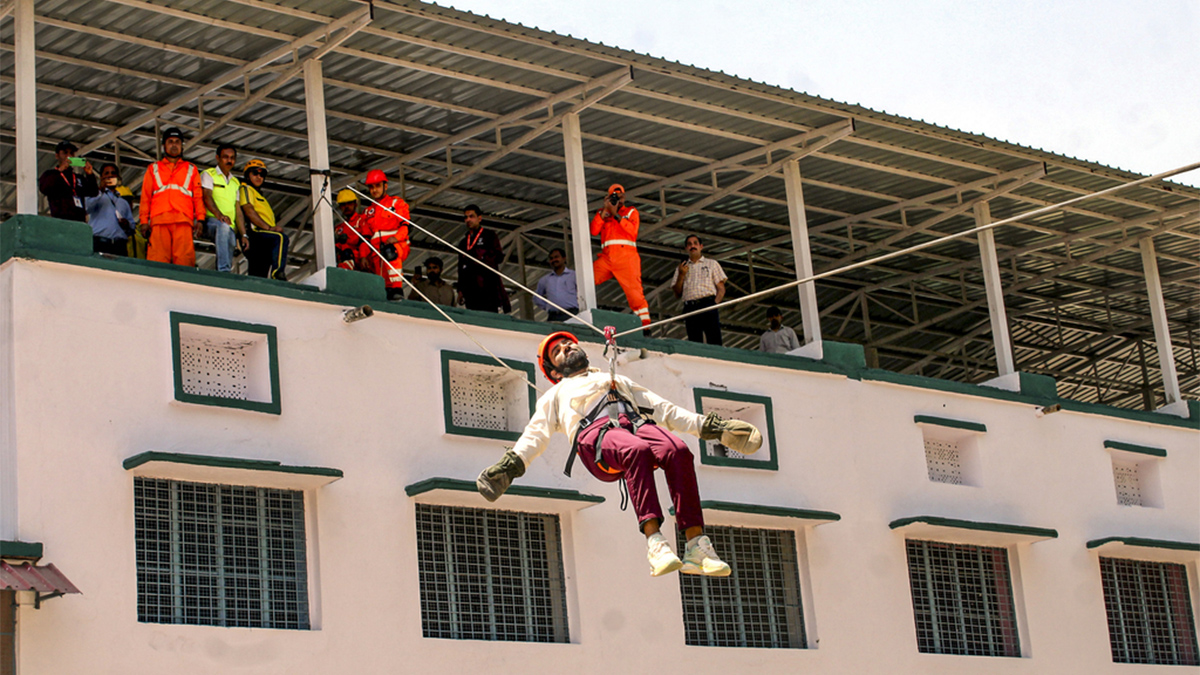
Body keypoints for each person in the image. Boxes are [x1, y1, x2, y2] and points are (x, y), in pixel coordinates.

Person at [476, 331, 763, 577]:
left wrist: (713, 428)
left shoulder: (617, 379)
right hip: (596, 438)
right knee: (635, 450)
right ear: (554, 371)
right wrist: (510, 467)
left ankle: (696, 545)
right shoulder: (555, 395)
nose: (566, 348)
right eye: (558, 351)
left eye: (568, 344)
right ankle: (655, 543)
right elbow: (535, 435)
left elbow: (664, 410)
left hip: (636, 425)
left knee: (678, 451)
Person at [139, 128, 205, 267]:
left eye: (177, 142)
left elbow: (198, 197)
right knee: (157, 264)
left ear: (181, 146)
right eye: (170, 142)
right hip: (159, 221)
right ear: (164, 145)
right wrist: (144, 221)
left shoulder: (191, 169)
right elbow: (146, 197)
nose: (174, 145)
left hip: (183, 221)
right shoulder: (153, 168)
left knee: (184, 264)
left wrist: (200, 219)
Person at [590, 184, 650, 330]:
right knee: (586, 279)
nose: (618, 199)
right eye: (614, 196)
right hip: (607, 258)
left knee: (635, 295)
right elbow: (593, 231)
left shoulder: (630, 212)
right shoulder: (603, 213)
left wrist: (615, 214)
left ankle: (645, 328)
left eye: (620, 196)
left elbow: (632, 232)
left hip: (626, 258)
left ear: (624, 196)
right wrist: (605, 211)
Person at [360, 169, 410, 300]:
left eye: (377, 186)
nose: (374, 190)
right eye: (371, 187)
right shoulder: (367, 212)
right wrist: (364, 256)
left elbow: (406, 226)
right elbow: (365, 237)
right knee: (381, 279)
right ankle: (388, 291)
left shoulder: (396, 203)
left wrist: (396, 238)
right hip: (377, 250)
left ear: (385, 186)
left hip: (397, 245)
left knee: (390, 252)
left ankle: (397, 288)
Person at [238, 159, 289, 280]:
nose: (259, 177)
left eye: (262, 174)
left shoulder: (260, 196)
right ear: (247, 175)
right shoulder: (246, 189)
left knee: (259, 275)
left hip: (262, 237)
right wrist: (269, 228)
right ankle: (278, 273)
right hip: (256, 233)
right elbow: (248, 210)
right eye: (255, 173)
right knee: (280, 238)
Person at [671, 234, 727, 345]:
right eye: (689, 244)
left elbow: (721, 289)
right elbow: (677, 293)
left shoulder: (712, 263)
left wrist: (713, 304)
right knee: (694, 342)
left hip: (708, 303)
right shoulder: (681, 267)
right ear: (686, 248)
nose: (692, 246)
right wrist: (681, 275)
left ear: (701, 246)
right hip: (690, 306)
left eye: (695, 243)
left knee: (714, 340)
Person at [201, 143, 248, 273]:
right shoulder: (208, 174)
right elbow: (207, 197)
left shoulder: (235, 182)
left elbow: (238, 210)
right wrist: (219, 215)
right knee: (223, 227)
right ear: (217, 158)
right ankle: (223, 271)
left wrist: (244, 234)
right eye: (225, 157)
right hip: (210, 221)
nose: (229, 160)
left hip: (229, 225)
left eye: (232, 158)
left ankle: (223, 271)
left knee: (231, 238)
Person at [456, 204, 509, 313]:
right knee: (473, 315)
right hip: (470, 287)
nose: (468, 220)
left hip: (487, 284)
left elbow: (499, 257)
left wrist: (483, 257)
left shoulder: (489, 235)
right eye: (466, 217)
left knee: (490, 314)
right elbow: (460, 267)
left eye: (471, 216)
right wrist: (460, 290)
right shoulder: (463, 242)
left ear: (479, 218)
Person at [38, 140, 98, 222]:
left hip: (79, 222)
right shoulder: (51, 174)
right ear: (57, 155)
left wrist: (90, 174)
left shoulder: (78, 177)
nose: (69, 156)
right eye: (65, 153)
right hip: (60, 221)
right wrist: (60, 170)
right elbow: (44, 188)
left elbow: (93, 192)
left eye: (71, 153)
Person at [84, 163, 134, 255]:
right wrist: (100, 191)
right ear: (101, 177)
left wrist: (127, 225)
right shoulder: (95, 195)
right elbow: (87, 208)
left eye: (113, 173)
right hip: (100, 243)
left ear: (118, 177)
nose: (110, 175)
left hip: (120, 245)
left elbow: (132, 227)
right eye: (106, 173)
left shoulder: (123, 202)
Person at [534, 248, 578, 322]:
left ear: (564, 258)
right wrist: (548, 307)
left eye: (556, 257)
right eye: (551, 258)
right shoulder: (545, 280)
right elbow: (536, 297)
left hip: (572, 314)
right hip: (553, 316)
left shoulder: (574, 275)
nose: (554, 260)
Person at [333, 189, 368, 271]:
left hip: (360, 261)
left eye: (349, 203)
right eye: (343, 204)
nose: (346, 206)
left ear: (355, 204)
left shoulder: (361, 220)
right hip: (343, 262)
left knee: (347, 252)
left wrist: (363, 257)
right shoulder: (338, 228)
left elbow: (365, 240)